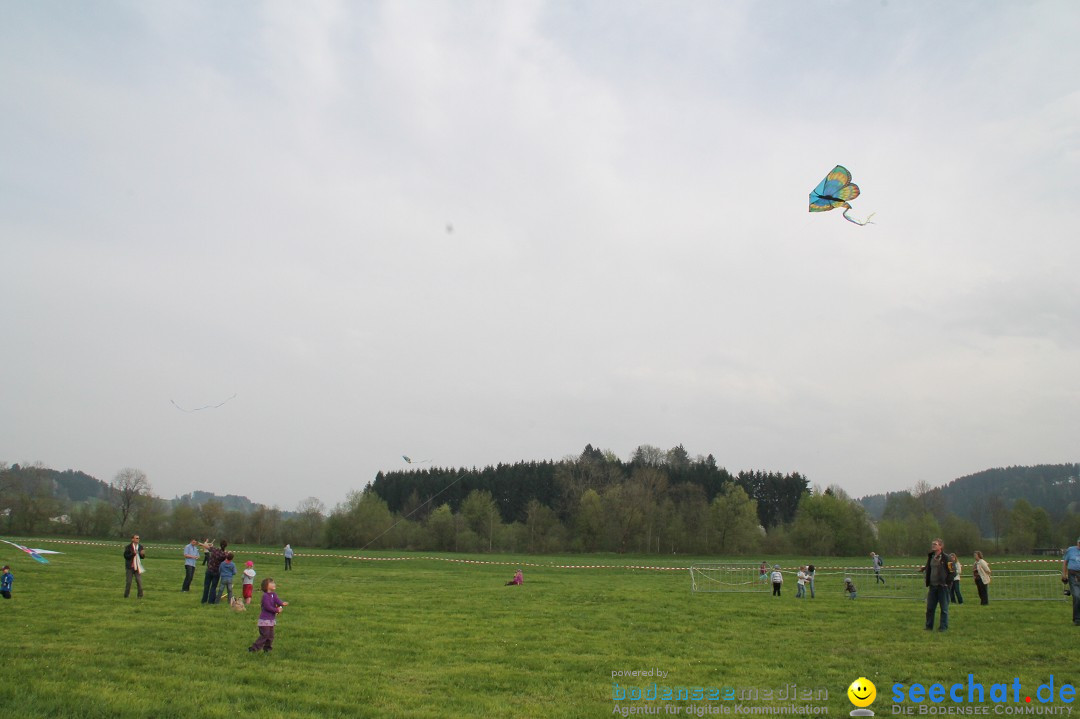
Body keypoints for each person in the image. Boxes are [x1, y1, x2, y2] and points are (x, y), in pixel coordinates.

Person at [248, 578, 287, 653]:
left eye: (274, 583)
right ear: (266, 586)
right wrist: (277, 610)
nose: (274, 584)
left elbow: (277, 601)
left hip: (271, 620)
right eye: (271, 583)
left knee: (271, 636)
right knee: (265, 635)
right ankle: (254, 648)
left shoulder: (274, 594)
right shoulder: (265, 596)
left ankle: (267, 649)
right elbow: (267, 607)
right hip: (264, 620)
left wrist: (282, 604)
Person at [922, 538, 952, 631]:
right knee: (930, 608)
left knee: (944, 609)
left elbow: (952, 571)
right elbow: (929, 567)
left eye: (935, 544)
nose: (933, 545)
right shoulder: (931, 557)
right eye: (932, 544)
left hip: (942, 587)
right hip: (932, 586)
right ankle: (928, 626)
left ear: (941, 546)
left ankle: (943, 627)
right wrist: (924, 569)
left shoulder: (947, 558)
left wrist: (947, 583)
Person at [1061, 537, 1080, 625]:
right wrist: (1064, 574)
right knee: (1076, 596)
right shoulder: (1071, 550)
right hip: (1073, 575)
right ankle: (1077, 619)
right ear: (1077, 543)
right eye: (1079, 543)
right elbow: (1065, 562)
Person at [202, 540, 228, 605]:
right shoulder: (224, 554)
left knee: (206, 586)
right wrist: (227, 552)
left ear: (220, 545)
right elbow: (228, 559)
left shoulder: (215, 550)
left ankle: (204, 600)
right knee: (213, 587)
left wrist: (206, 543)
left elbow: (205, 546)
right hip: (216, 572)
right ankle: (211, 601)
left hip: (209, 570)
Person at [124, 534, 146, 599]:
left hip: (138, 567)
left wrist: (142, 554)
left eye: (138, 538)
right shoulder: (128, 547)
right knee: (129, 582)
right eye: (136, 538)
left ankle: (140, 596)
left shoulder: (140, 547)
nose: (138, 539)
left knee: (139, 581)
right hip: (130, 567)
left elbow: (142, 557)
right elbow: (126, 556)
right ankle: (126, 595)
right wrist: (132, 554)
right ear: (132, 539)